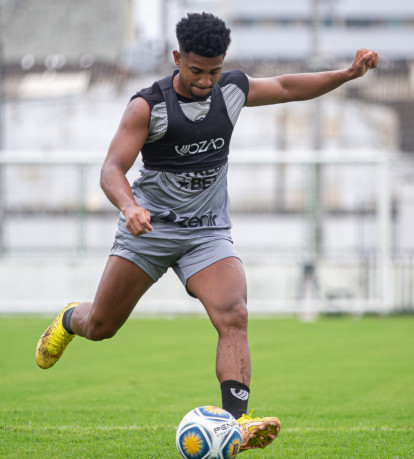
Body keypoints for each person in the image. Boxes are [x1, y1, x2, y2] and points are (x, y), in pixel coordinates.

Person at [36, 12, 378, 452]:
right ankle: (69, 317)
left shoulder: (231, 90)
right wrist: (130, 206)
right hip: (150, 230)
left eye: (214, 70)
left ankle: (238, 424)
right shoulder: (148, 106)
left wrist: (348, 73)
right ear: (178, 58)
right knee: (101, 325)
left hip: (207, 232)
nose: (206, 80)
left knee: (233, 314)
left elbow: (290, 87)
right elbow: (111, 169)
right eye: (197, 70)